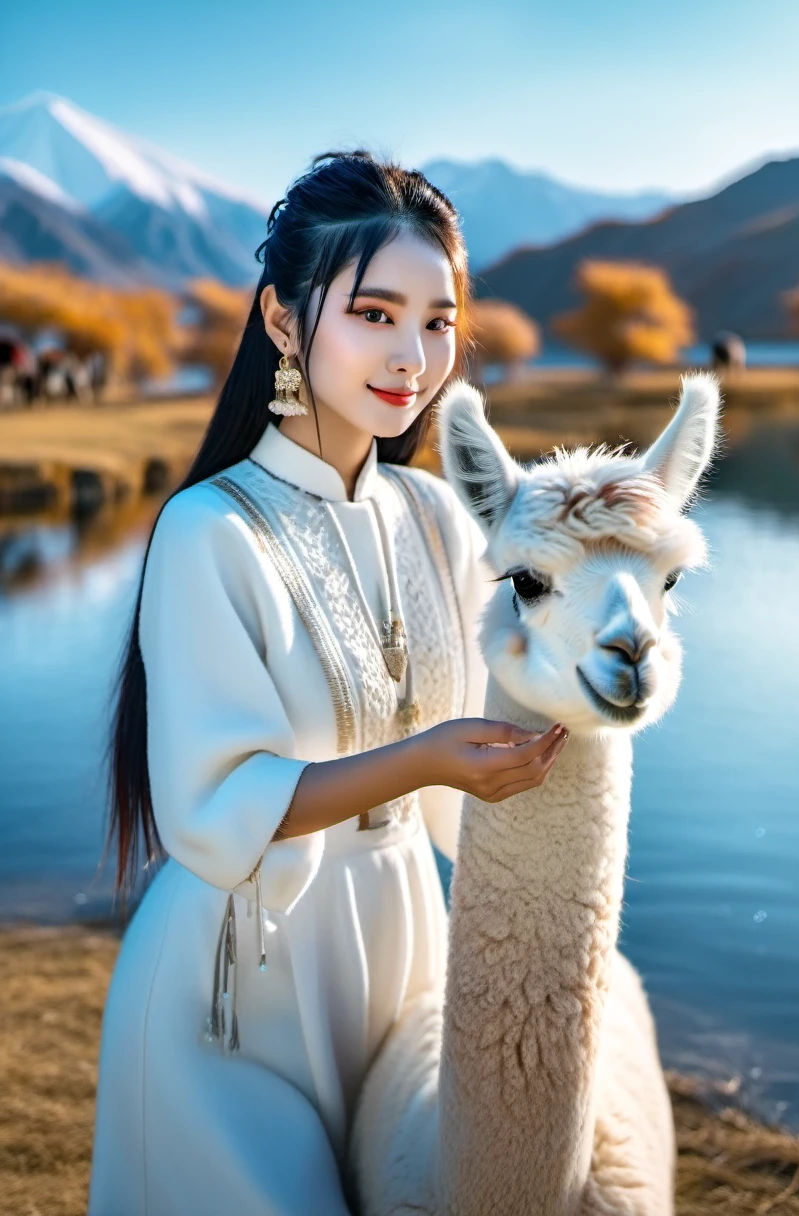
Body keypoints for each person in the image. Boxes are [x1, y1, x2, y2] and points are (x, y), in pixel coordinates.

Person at [88, 151, 568, 1216]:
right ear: (280, 321)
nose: (412, 356)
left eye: (438, 322)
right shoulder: (209, 531)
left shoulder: (436, 518)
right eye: (375, 313)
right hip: (236, 990)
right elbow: (212, 812)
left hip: (403, 955)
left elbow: (473, 766)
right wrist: (425, 759)